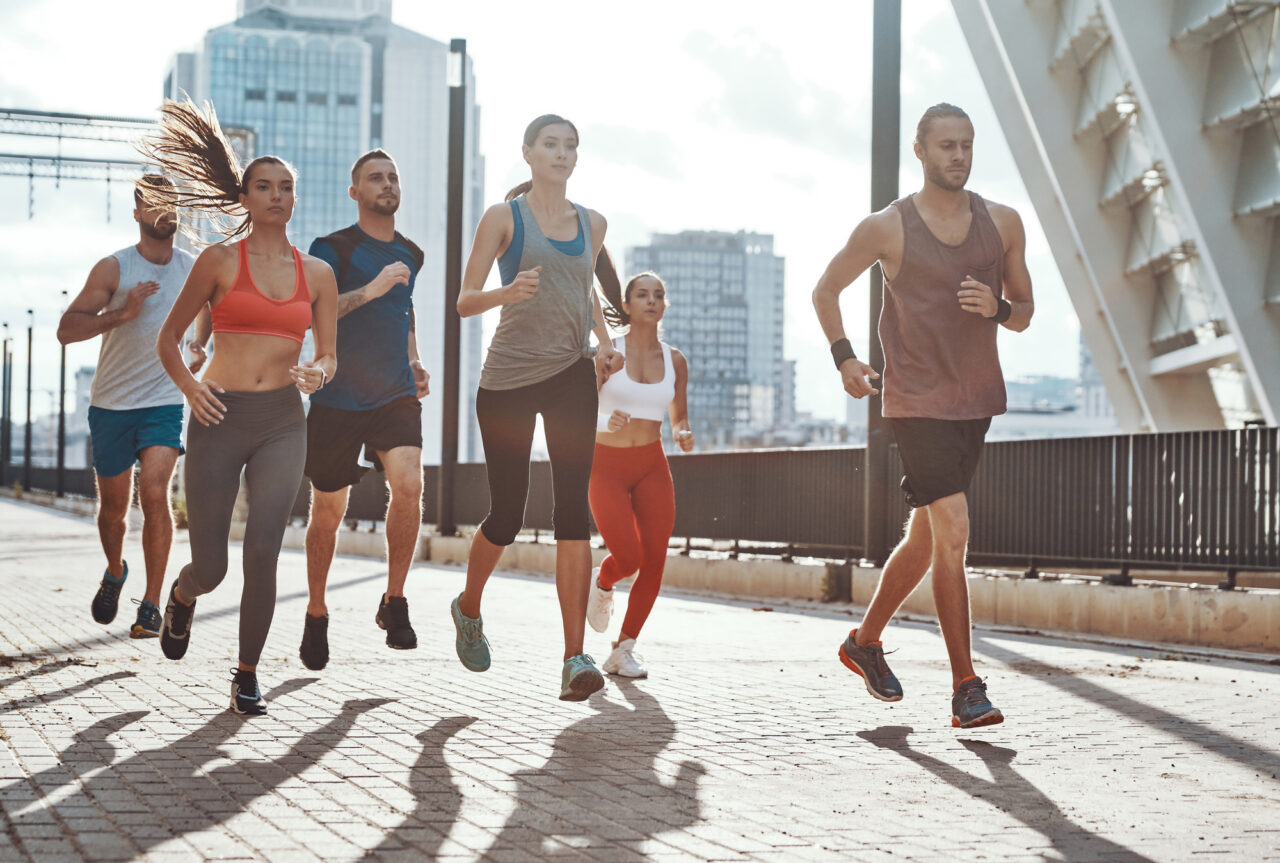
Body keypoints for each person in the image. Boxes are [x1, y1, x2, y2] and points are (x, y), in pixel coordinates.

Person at [811, 103, 1034, 729]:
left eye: (965, 145)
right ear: (920, 151)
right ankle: (967, 687)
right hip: (913, 401)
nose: (957, 156)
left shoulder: (1004, 223)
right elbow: (826, 290)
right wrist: (846, 359)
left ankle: (864, 641)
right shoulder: (887, 227)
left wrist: (996, 307)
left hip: (976, 402)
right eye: (945, 146)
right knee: (955, 532)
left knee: (929, 535)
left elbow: (1025, 312)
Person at [140, 99, 338, 715]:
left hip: (283, 421)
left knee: (263, 553)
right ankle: (182, 593)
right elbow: (168, 340)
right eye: (264, 187)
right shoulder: (220, 261)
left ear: (295, 199)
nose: (276, 196)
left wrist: (317, 372)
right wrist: (190, 389)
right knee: (214, 565)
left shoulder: (320, 275)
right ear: (246, 197)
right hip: (218, 418)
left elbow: (330, 357)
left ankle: (247, 671)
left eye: (286, 188)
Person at [453, 113, 624, 701]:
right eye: (550, 144)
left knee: (573, 511)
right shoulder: (505, 218)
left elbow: (585, 291)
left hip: (571, 374)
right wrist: (507, 291)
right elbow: (464, 300)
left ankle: (575, 656)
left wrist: (604, 344)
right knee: (507, 514)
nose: (561, 153)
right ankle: (468, 605)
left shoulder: (594, 223)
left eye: (570, 145)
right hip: (507, 381)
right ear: (528, 153)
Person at [57, 175, 206, 640]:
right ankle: (115, 569)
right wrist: (122, 315)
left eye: (173, 204)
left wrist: (199, 348)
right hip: (112, 403)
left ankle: (151, 602)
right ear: (138, 214)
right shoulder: (113, 269)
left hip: (163, 399)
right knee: (114, 510)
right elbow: (66, 329)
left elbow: (209, 317)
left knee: (157, 491)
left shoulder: (193, 267)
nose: (167, 212)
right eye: (156, 205)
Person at [300, 149, 429, 670]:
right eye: (375, 178)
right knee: (328, 512)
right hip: (337, 394)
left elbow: (407, 310)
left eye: (393, 176)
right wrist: (372, 289)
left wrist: (415, 360)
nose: (387, 183)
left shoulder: (412, 254)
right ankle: (315, 612)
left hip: (394, 392)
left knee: (411, 485)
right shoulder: (331, 248)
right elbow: (317, 312)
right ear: (355, 192)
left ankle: (394, 601)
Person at [585, 270, 693, 678]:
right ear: (627, 305)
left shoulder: (675, 360)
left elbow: (677, 414)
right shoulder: (608, 354)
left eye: (659, 295)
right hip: (606, 465)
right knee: (627, 558)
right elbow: (578, 412)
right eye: (642, 294)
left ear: (665, 305)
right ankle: (604, 580)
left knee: (655, 560)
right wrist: (602, 421)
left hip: (651, 464)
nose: (651, 300)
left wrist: (683, 433)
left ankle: (623, 648)